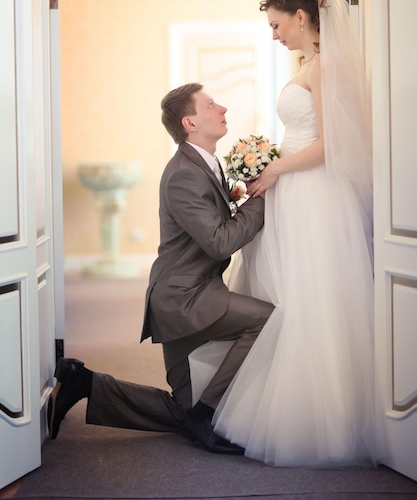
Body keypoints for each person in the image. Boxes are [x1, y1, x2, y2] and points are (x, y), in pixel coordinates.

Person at [211, 0, 385, 467]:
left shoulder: (326, 67)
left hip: (316, 196)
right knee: (289, 295)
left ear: (301, 17)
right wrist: (269, 163)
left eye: (275, 24)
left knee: (312, 298)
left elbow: (333, 146)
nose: (274, 34)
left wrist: (275, 169)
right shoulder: (311, 64)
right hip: (297, 190)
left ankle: (322, 422)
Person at [48, 83, 273, 454]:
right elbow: (219, 242)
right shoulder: (184, 172)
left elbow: (209, 228)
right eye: (212, 104)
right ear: (190, 122)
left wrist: (238, 199)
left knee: (182, 410)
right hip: (185, 298)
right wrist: (261, 198)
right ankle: (206, 413)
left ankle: (84, 383)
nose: (223, 108)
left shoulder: (203, 163)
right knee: (266, 320)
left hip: (187, 293)